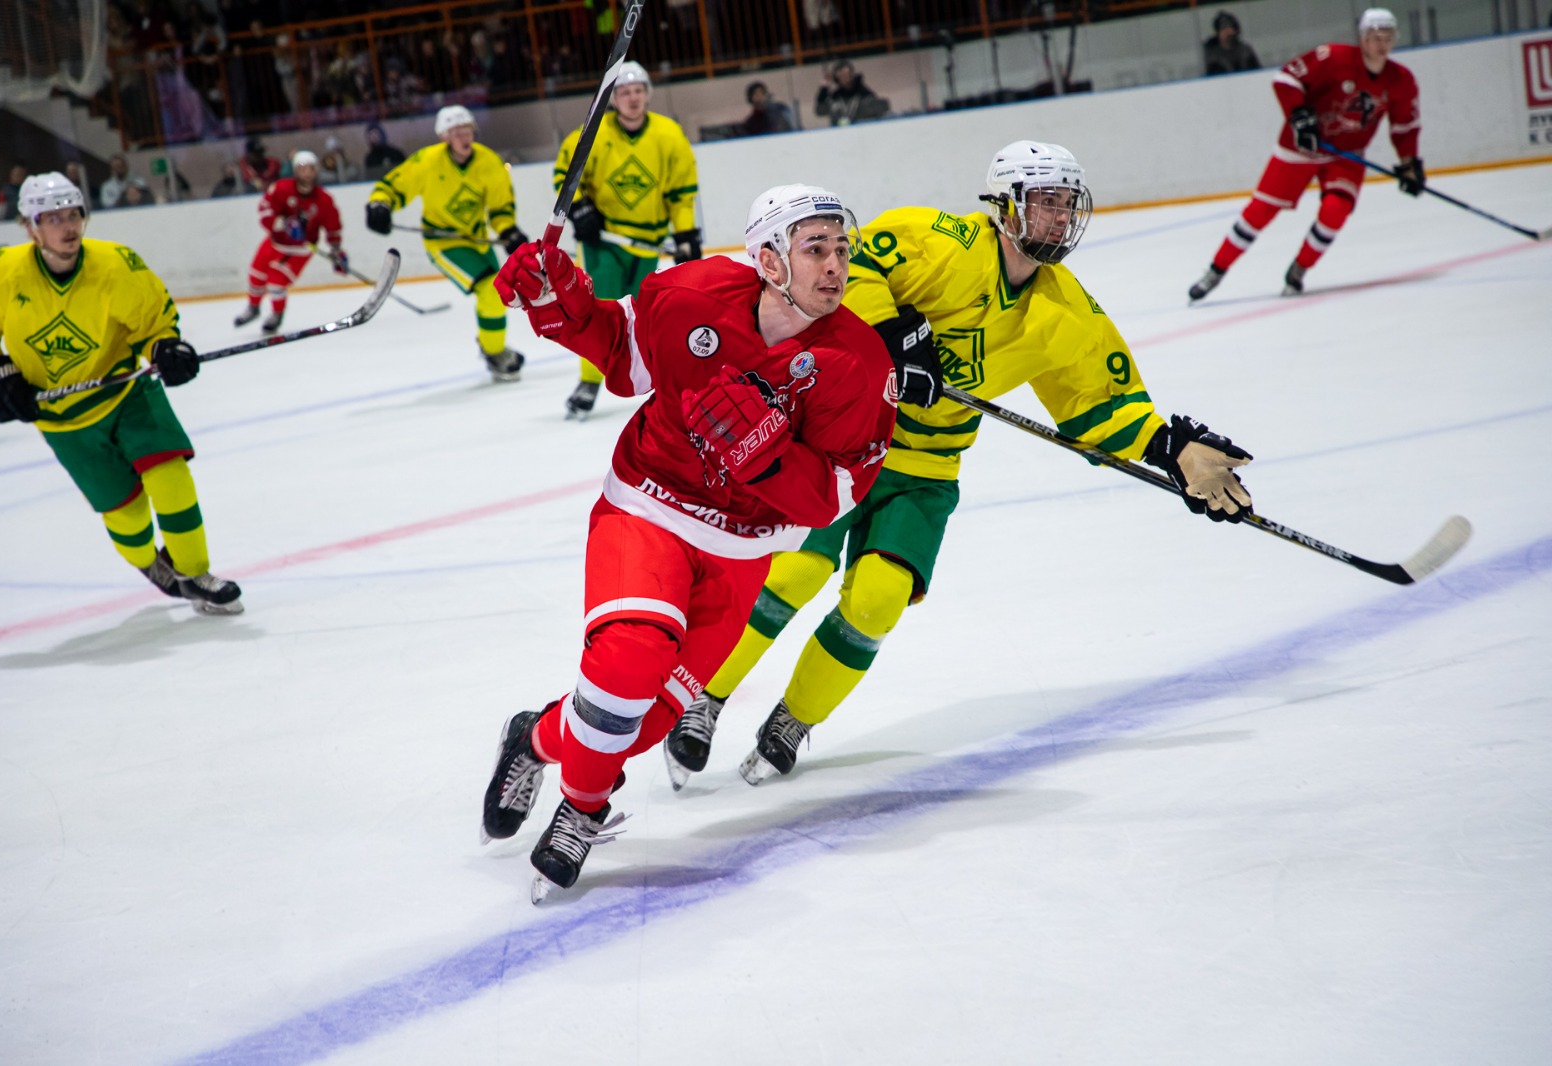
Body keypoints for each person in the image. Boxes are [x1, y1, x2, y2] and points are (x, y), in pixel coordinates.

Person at [660, 141, 1256, 790]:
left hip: (929, 464)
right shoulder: (938, 240)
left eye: (1067, 205)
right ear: (1004, 207)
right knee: (798, 570)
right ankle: (703, 697)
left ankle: (793, 718)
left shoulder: (1066, 311)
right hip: (844, 436)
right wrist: (889, 336)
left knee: (881, 597)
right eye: (1045, 203)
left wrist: (1171, 450)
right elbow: (848, 267)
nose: (1059, 219)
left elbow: (1100, 407)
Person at [480, 185, 899, 900]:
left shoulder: (859, 362)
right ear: (768, 259)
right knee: (629, 659)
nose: (835, 267)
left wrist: (768, 457)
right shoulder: (692, 294)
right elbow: (621, 352)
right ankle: (582, 812)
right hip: (648, 504)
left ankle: (535, 739)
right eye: (815, 249)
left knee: (635, 729)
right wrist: (566, 304)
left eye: (841, 250)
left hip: (741, 554)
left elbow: (838, 497)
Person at [0, 173, 242, 614]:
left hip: (127, 392)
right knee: (125, 515)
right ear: (30, 227)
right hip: (63, 420)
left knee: (170, 475)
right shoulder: (1, 275)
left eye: (74, 215)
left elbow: (154, 323)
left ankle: (195, 570)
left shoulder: (115, 264)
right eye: (53, 219)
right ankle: (151, 564)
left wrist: (166, 348)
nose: (68, 227)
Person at [1188, 7, 1421, 300]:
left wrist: (1409, 163)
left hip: (1345, 154)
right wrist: (1299, 115)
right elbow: (1286, 79)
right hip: (1300, 148)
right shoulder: (1332, 57)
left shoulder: (1400, 79)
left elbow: (1405, 127)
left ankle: (1299, 270)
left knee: (1336, 211)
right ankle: (1215, 271)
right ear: (1362, 38)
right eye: (1375, 36)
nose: (1381, 43)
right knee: (1260, 212)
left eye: (1387, 36)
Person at [552, 60, 703, 419]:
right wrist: (581, 208)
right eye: (624, 92)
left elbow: (681, 192)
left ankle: (652, 382)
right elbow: (565, 174)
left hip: (645, 243)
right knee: (594, 310)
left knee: (642, 315)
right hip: (602, 242)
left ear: (647, 95)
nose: (632, 98)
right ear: (614, 98)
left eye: (638, 91)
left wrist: (684, 232)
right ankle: (589, 381)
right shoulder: (593, 132)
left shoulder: (669, 135)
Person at [365, 105, 528, 381]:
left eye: (467, 130)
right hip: (443, 243)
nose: (464, 136)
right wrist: (379, 205)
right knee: (490, 289)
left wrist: (509, 230)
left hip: (476, 241)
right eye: (456, 132)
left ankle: (492, 347)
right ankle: (494, 351)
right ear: (444, 137)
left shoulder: (489, 162)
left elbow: (501, 209)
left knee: (499, 292)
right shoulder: (428, 161)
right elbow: (393, 186)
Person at [235, 150, 347, 334]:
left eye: (310, 169)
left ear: (316, 170)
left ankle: (277, 314)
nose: (307, 173)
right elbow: (265, 211)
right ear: (295, 171)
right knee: (256, 275)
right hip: (275, 242)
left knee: (277, 281)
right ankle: (253, 307)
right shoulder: (281, 188)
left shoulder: (323, 199)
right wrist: (283, 224)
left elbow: (333, 226)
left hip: (301, 249)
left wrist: (336, 251)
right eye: (302, 169)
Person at [814, 59, 886, 126]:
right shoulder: (835, 97)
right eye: (840, 76)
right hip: (840, 134)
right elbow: (820, 111)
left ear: (852, 74)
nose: (844, 78)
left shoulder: (863, 93)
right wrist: (824, 89)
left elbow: (879, 107)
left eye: (846, 75)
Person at [1203, 11, 1261, 76]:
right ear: (1218, 33)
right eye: (1224, 29)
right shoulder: (1213, 56)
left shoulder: (1245, 51)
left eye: (1230, 28)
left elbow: (1257, 71)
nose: (1228, 32)